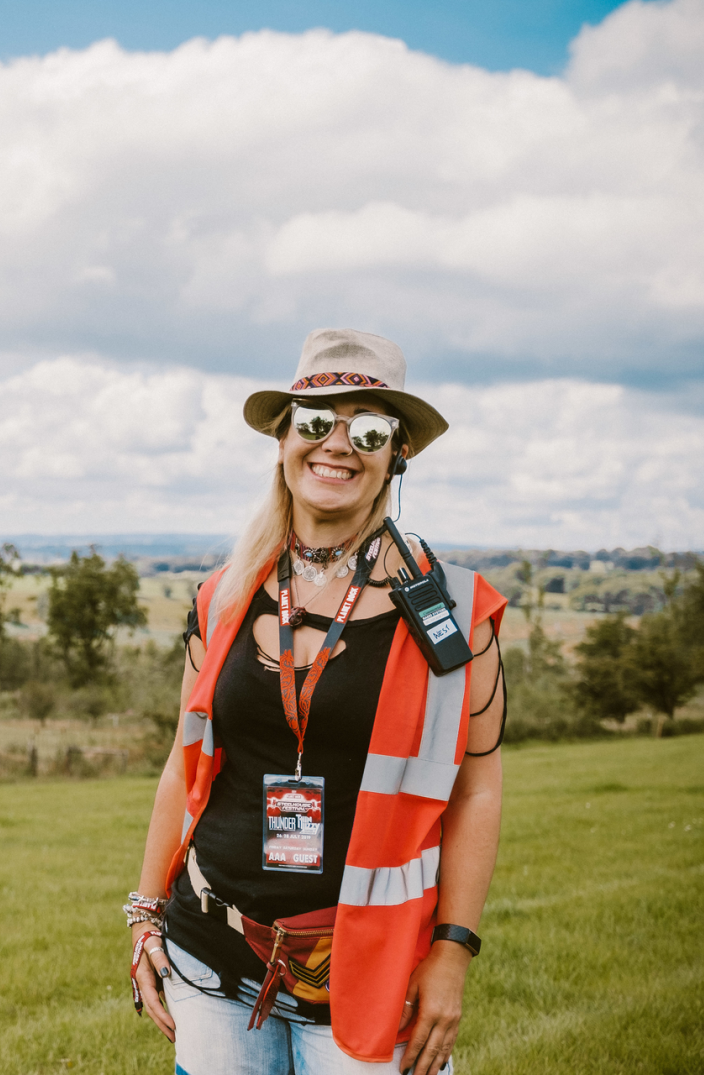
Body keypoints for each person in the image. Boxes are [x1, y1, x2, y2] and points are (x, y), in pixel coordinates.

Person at [127, 328, 507, 1075]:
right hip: (211, 953)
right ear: (282, 440)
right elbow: (183, 762)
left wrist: (452, 950)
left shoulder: (457, 613)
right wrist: (145, 915)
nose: (337, 444)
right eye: (315, 421)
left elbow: (478, 789)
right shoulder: (222, 596)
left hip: (374, 968)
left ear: (397, 453)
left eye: (368, 429)